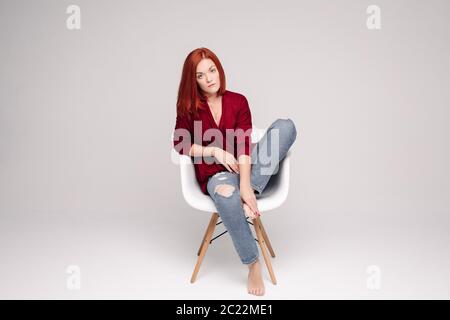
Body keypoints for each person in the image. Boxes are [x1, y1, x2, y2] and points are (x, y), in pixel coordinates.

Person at [173, 47, 298, 296]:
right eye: (200, 75)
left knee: (285, 126)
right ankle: (253, 264)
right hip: (217, 174)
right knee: (227, 193)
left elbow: (243, 144)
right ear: (192, 80)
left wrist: (245, 185)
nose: (210, 78)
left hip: (248, 167)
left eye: (212, 70)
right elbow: (180, 143)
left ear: (219, 69)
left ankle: (249, 189)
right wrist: (215, 152)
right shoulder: (189, 107)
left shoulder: (238, 100)